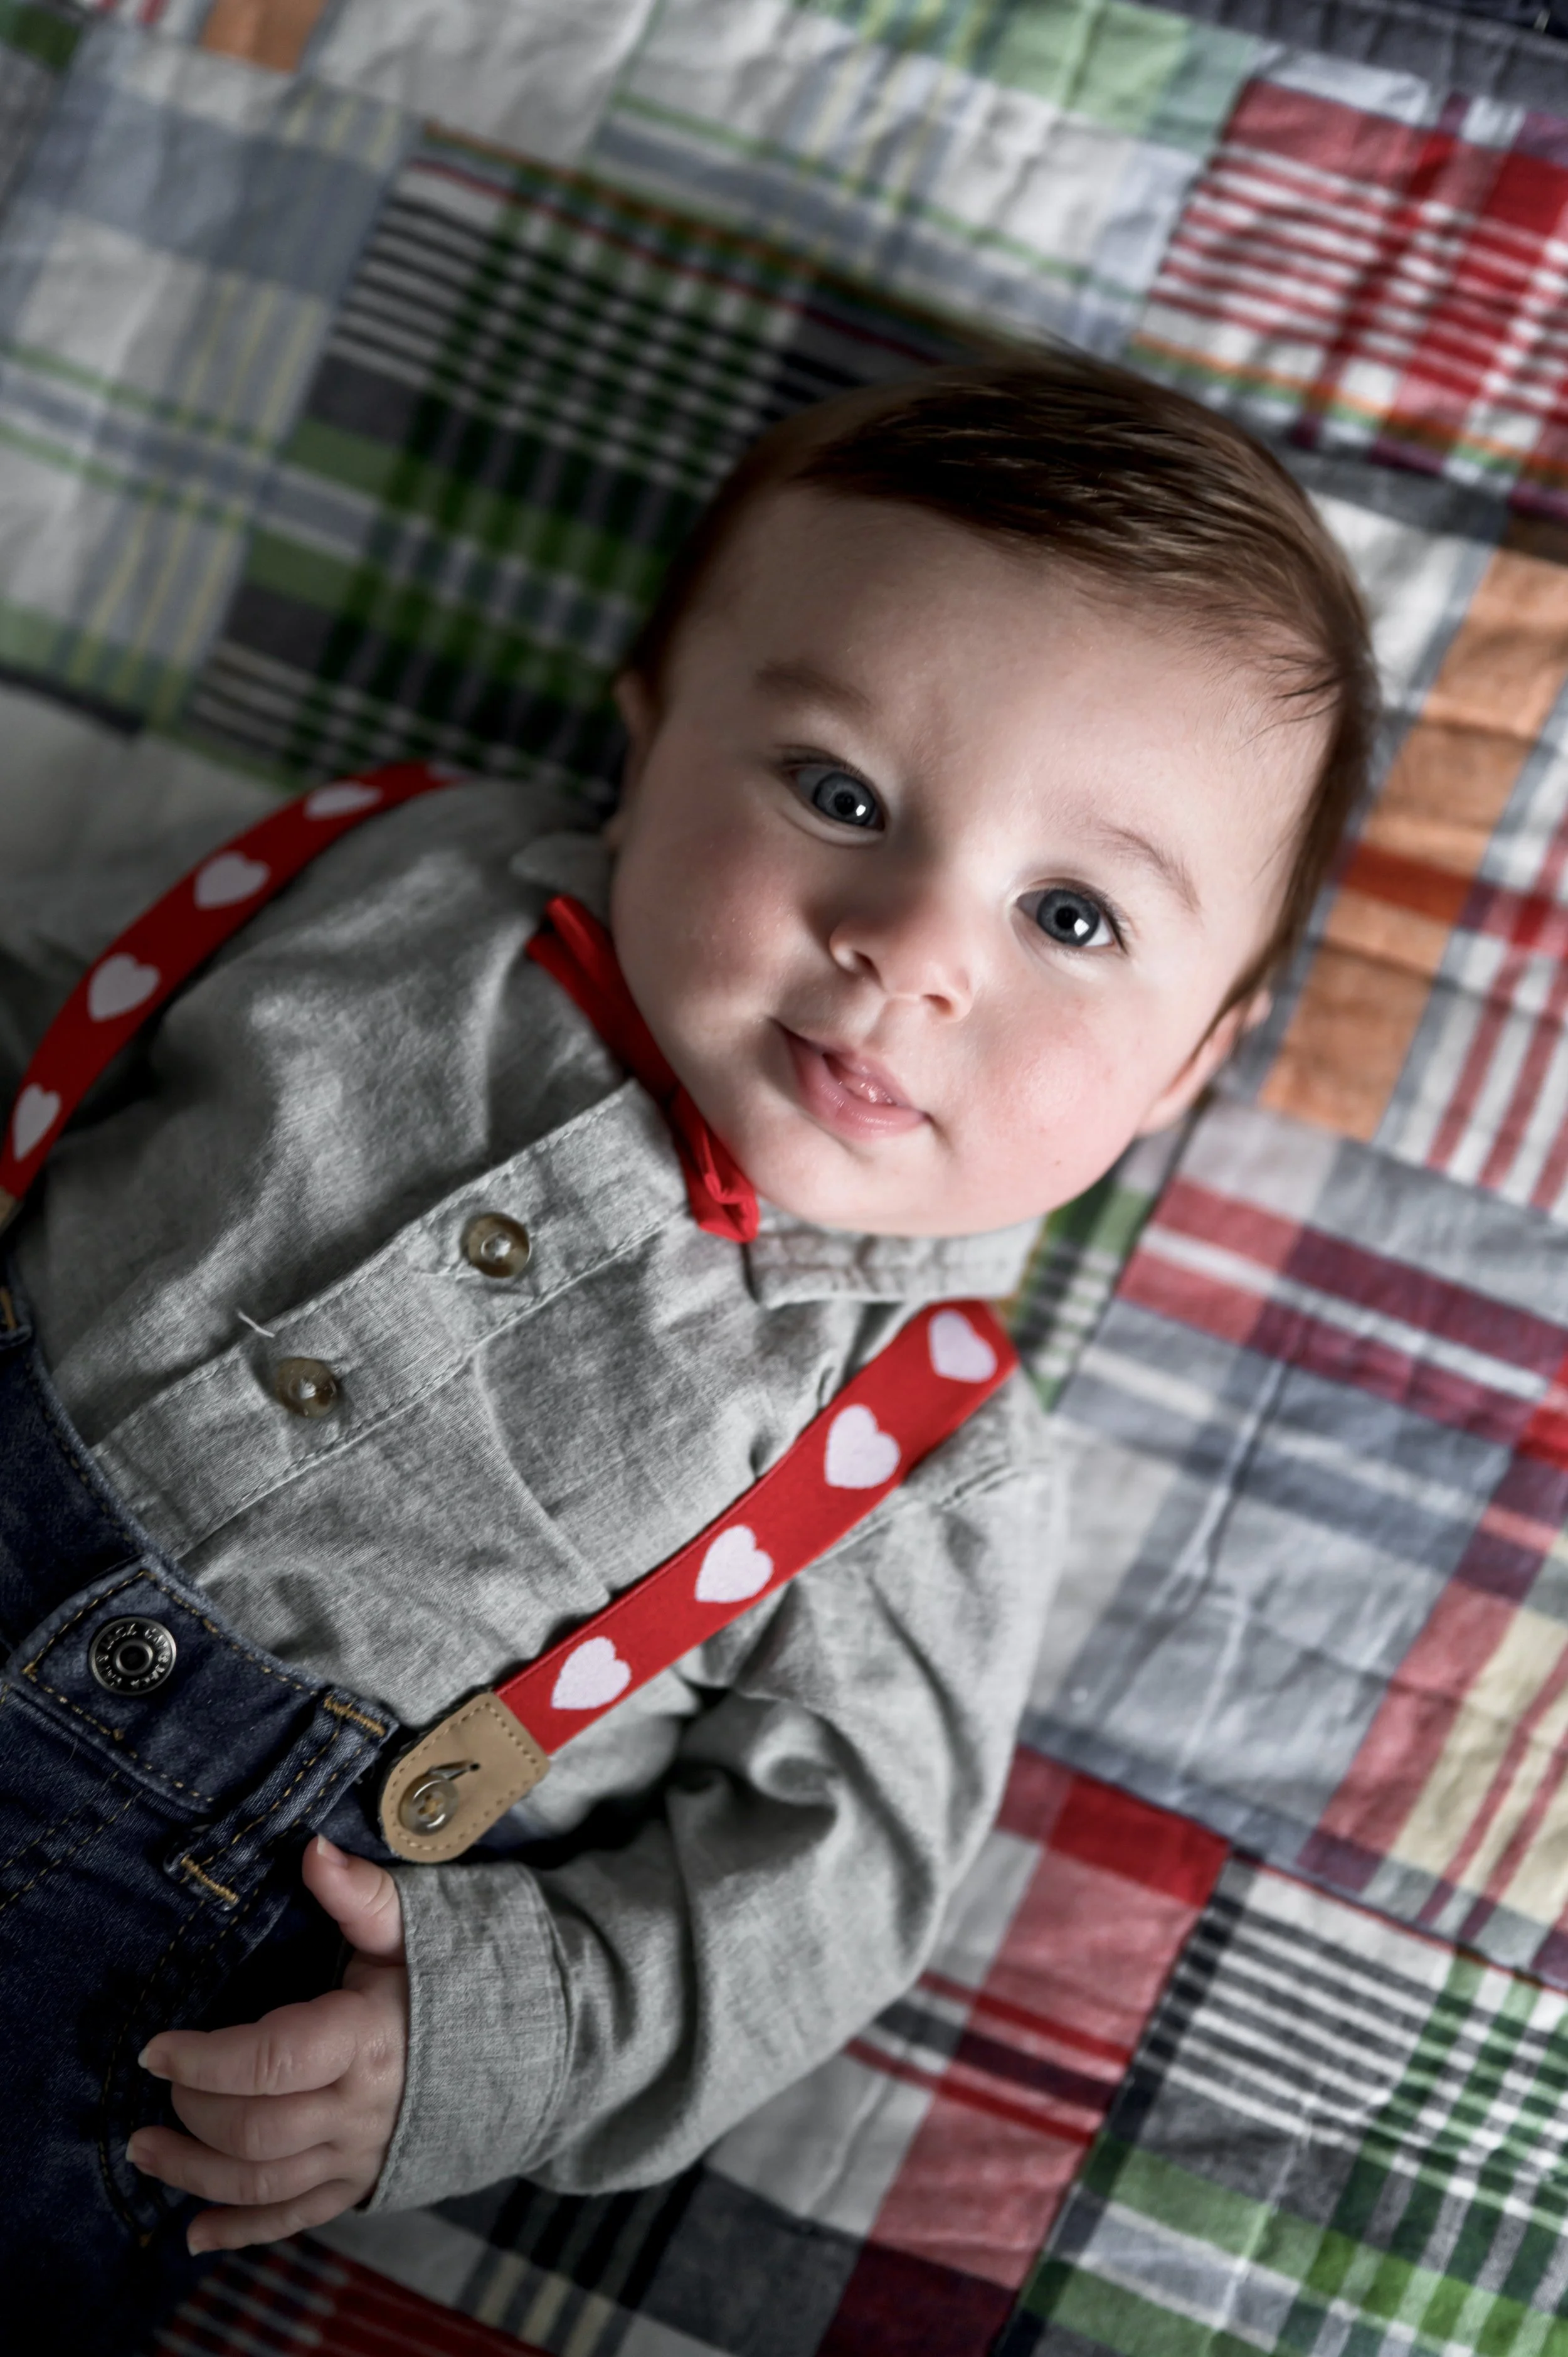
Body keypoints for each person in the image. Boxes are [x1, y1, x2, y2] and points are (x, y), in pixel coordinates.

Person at [0, 348, 1376, 2349]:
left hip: (134, 1962)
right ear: (644, 741)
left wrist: (490, 2037)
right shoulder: (397, 872)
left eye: (1071, 915)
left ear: (1194, 1059)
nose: (913, 941)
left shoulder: (919, 1448)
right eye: (838, 794)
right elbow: (53, 1008)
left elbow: (829, 1883)